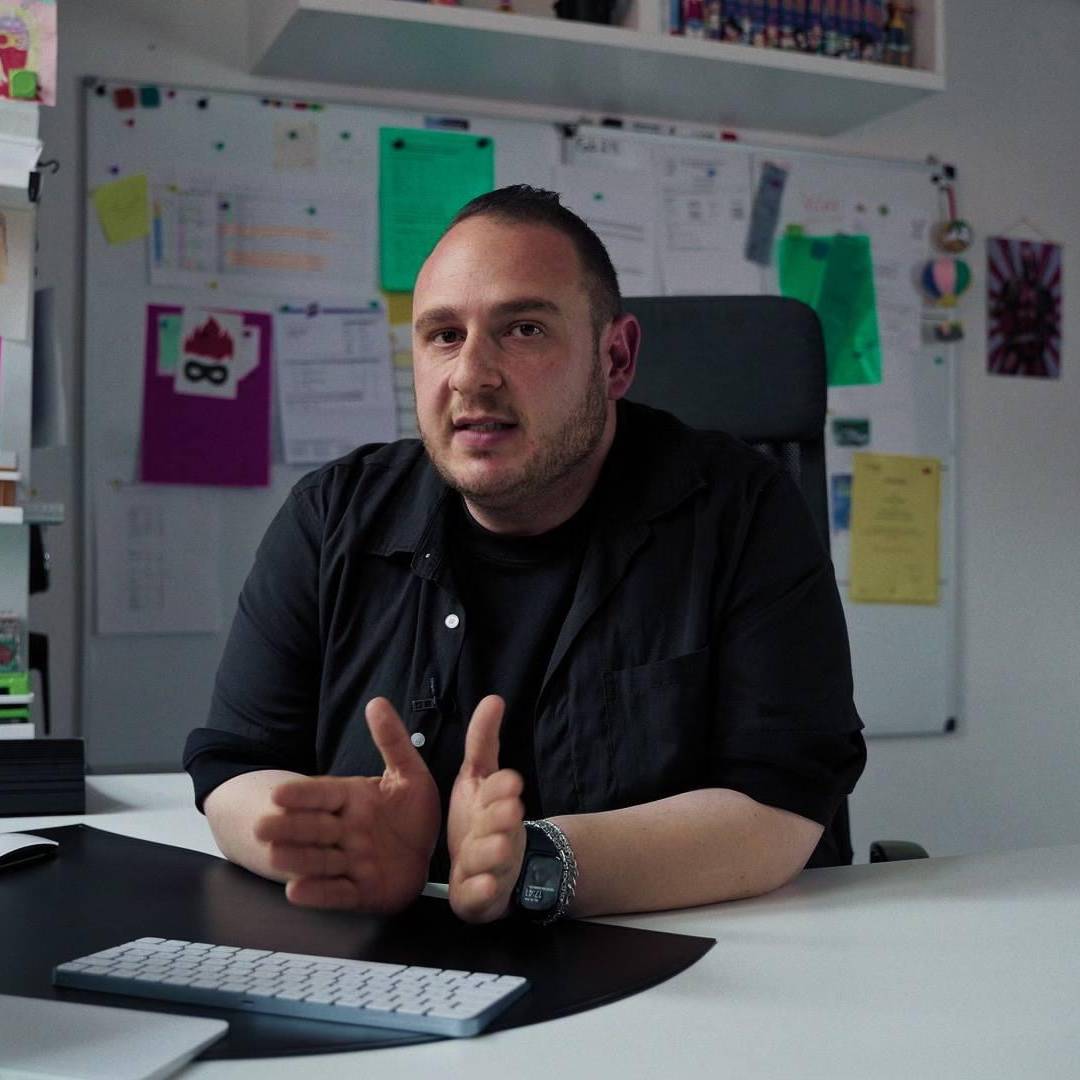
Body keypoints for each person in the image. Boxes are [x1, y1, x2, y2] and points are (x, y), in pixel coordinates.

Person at [184, 185, 865, 926]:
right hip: (386, 965)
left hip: (684, 966)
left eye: (524, 330)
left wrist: (534, 863)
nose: (471, 374)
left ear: (615, 358)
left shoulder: (743, 512)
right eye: (444, 335)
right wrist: (336, 848)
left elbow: (782, 804)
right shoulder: (331, 517)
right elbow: (234, 768)